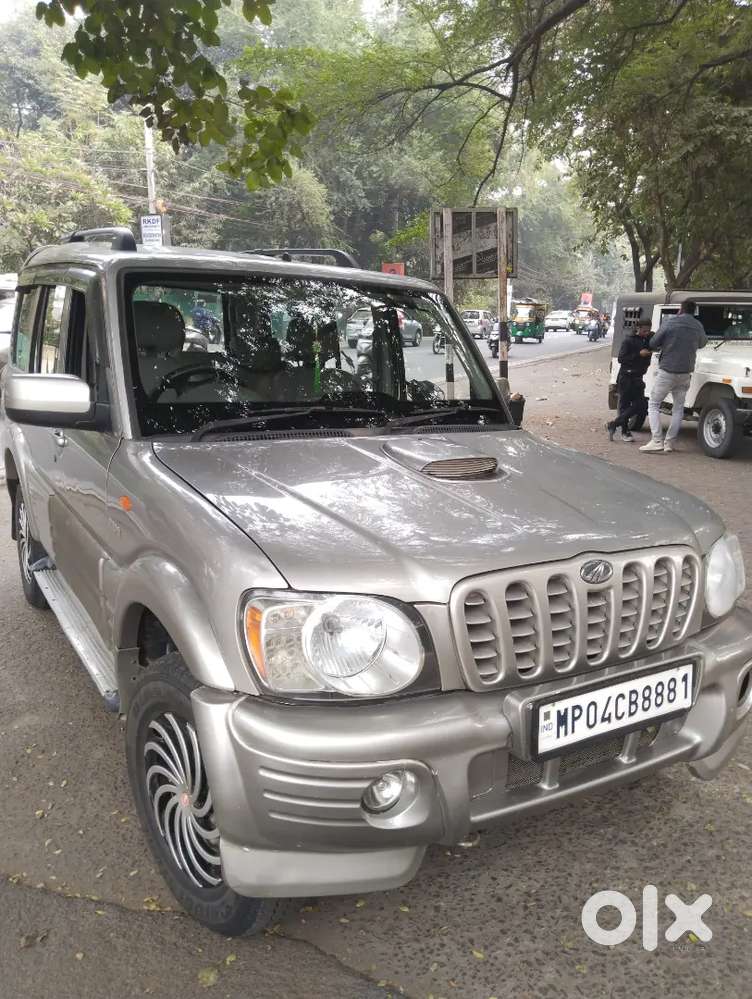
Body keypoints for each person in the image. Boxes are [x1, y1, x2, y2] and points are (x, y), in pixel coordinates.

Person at [640, 300, 707, 453]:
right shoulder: (698, 325)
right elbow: (703, 343)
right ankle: (669, 443)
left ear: (680, 310)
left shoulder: (671, 323)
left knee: (654, 404)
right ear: (693, 311)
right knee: (678, 409)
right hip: (685, 373)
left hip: (667, 371)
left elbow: (653, 342)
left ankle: (657, 441)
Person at [607, 318, 653, 442]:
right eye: (644, 331)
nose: (646, 333)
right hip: (626, 377)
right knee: (624, 405)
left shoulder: (648, 339)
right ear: (637, 328)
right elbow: (621, 359)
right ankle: (625, 431)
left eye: (648, 331)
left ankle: (614, 424)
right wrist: (639, 354)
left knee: (642, 405)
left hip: (638, 378)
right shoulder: (628, 341)